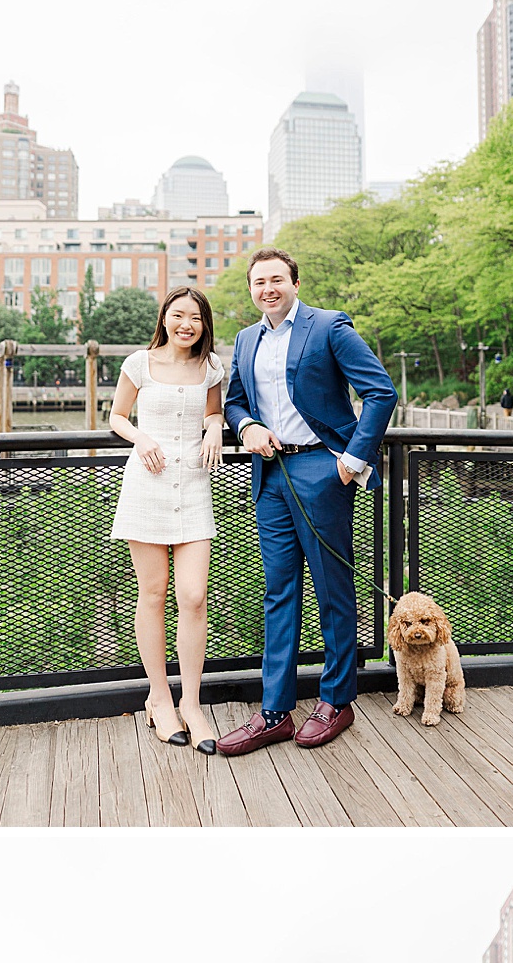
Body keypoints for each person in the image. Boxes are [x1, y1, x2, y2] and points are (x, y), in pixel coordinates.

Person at [219, 248, 398, 755]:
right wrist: (247, 425)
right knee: (279, 592)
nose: (268, 289)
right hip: (270, 475)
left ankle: (336, 701)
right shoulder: (246, 338)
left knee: (332, 587)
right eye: (259, 282)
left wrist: (351, 461)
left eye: (277, 279)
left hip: (324, 470)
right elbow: (234, 399)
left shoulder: (328, 327)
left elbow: (380, 392)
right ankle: (275, 710)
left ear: (295, 282)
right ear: (251, 289)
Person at [107, 287, 226, 753]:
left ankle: (192, 703)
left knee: (194, 596)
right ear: (165, 318)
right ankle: (159, 698)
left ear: (203, 324)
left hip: (194, 487)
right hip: (147, 486)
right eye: (178, 315)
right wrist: (141, 438)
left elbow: (214, 412)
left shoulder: (212, 367)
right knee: (152, 593)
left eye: (194, 318)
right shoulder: (139, 363)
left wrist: (214, 427)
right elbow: (117, 415)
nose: (186, 324)